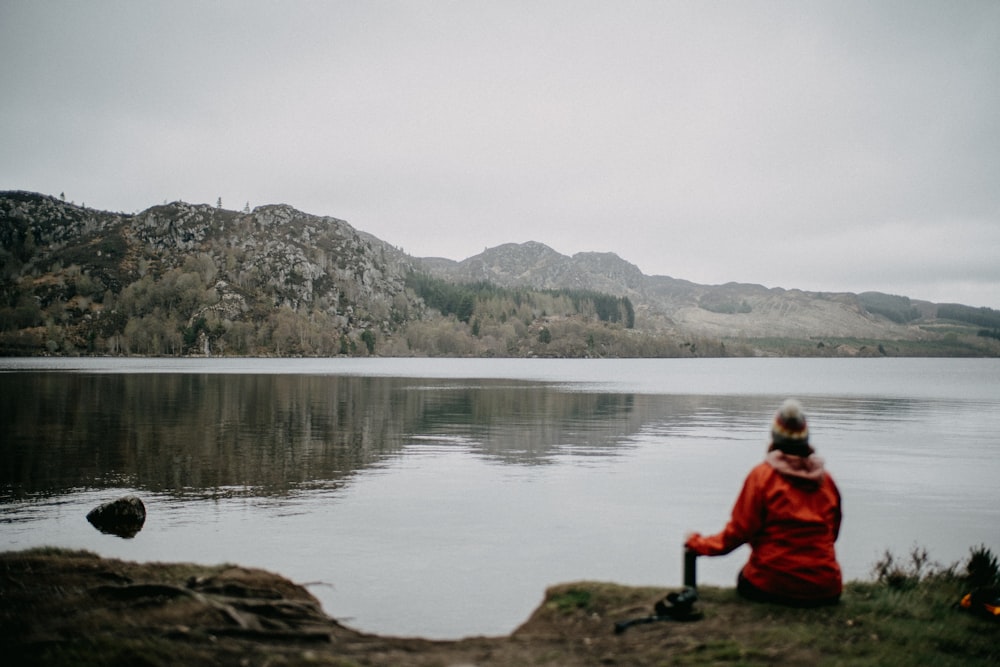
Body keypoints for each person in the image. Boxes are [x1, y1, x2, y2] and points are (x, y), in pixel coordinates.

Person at [685, 398, 842, 607]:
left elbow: (738, 532)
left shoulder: (762, 477)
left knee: (746, 577)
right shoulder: (827, 482)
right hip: (826, 589)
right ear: (806, 440)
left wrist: (697, 543)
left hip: (771, 584)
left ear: (774, 438)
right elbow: (832, 533)